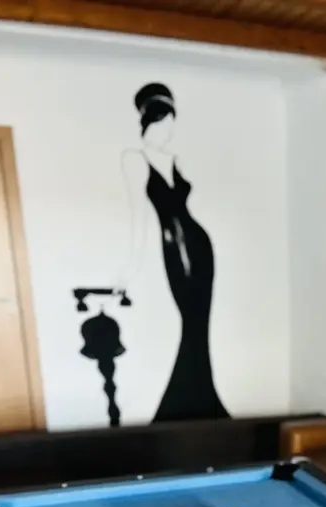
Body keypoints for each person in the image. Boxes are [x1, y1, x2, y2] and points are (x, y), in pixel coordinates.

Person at [118, 82, 228, 421]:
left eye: (172, 125)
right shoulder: (134, 159)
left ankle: (202, 401)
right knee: (191, 322)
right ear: (150, 121)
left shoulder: (176, 160)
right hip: (174, 247)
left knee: (200, 324)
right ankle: (188, 405)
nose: (169, 132)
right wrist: (129, 269)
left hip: (200, 244)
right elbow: (138, 216)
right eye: (164, 124)